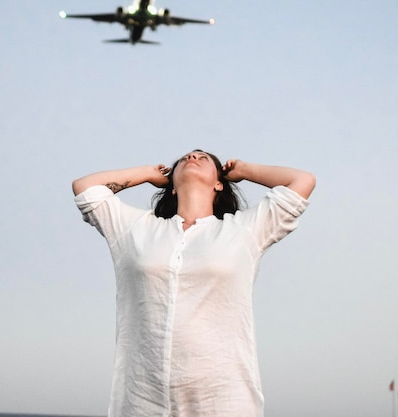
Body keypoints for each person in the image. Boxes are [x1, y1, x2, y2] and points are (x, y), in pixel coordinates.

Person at [72, 150, 316, 417]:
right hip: (143, 398)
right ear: (172, 186)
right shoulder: (136, 229)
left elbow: (302, 181)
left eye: (203, 158)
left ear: (219, 183)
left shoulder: (244, 230)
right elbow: (86, 188)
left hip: (222, 397)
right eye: (186, 158)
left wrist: (245, 170)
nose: (192, 156)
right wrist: (147, 174)